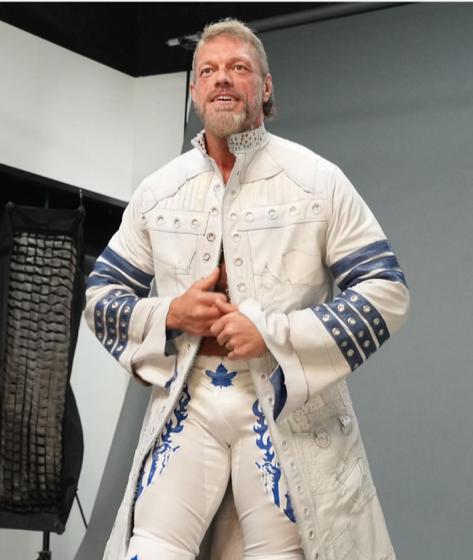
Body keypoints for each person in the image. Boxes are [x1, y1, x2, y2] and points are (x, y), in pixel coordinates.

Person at [85, 18, 409, 560]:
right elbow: (101, 294)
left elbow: (386, 290)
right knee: (150, 549)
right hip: (187, 402)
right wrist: (171, 314)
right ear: (194, 91)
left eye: (239, 68)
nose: (222, 78)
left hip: (285, 405)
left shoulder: (317, 180)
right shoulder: (158, 191)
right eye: (208, 70)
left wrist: (272, 333)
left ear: (265, 86)